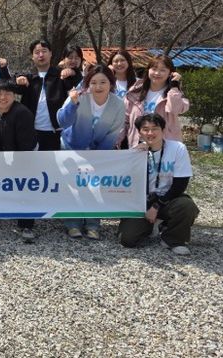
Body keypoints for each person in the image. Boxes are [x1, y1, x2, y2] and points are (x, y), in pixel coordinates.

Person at [57, 65, 125, 240]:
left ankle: (93, 224)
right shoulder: (79, 96)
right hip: (71, 147)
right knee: (73, 186)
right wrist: (72, 104)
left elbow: (113, 132)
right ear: (87, 84)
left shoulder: (118, 104)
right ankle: (72, 224)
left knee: (94, 187)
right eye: (93, 82)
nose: (98, 86)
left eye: (103, 82)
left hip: (98, 151)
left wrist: (98, 157)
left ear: (111, 83)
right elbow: (62, 121)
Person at [119, 113, 198, 255]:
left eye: (155, 128)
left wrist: (157, 206)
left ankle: (173, 239)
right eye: (145, 129)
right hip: (143, 202)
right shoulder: (135, 152)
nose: (150, 133)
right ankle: (154, 225)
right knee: (127, 240)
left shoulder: (177, 148)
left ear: (163, 130)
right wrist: (133, 155)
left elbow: (180, 185)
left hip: (168, 199)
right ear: (139, 132)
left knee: (186, 206)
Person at [0, 79, 38, 242]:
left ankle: (27, 225)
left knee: (24, 188)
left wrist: (13, 162)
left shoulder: (22, 113)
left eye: (8, 94)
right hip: (2, 157)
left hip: (23, 156)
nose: (3, 97)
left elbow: (26, 144)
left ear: (14, 96)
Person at [15, 39, 81, 151]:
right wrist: (17, 80)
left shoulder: (61, 75)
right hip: (32, 132)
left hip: (57, 132)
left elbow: (79, 82)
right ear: (32, 57)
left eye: (44, 51)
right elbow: (10, 86)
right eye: (37, 52)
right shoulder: (28, 78)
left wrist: (74, 72)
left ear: (51, 53)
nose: (41, 55)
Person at [121, 55, 189, 148]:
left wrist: (174, 86)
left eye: (162, 70)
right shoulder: (135, 91)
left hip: (165, 144)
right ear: (148, 70)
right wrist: (117, 141)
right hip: (138, 143)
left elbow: (174, 110)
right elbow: (124, 119)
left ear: (171, 73)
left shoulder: (174, 93)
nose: (157, 73)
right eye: (154, 69)